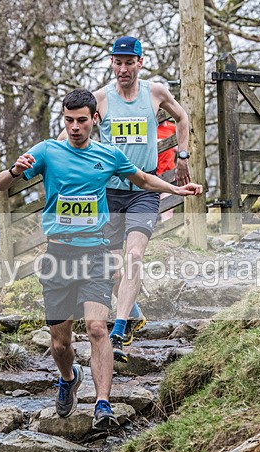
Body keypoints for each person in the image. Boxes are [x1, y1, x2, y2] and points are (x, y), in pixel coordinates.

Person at [0, 89, 201, 430]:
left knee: (95, 328)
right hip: (58, 255)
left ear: (95, 120)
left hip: (95, 252)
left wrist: (176, 189)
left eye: (81, 120)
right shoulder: (47, 151)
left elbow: (143, 178)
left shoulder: (109, 155)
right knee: (61, 343)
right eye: (68, 120)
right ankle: (69, 377)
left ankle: (103, 404)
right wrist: (15, 170)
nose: (75, 127)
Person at [60, 36, 191, 363]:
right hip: (109, 192)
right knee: (112, 265)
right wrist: (45, 160)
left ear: (139, 63)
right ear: (112, 64)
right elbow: (69, 135)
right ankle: (132, 312)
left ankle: (118, 330)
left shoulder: (155, 92)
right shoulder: (101, 98)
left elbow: (183, 117)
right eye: (117, 63)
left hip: (145, 188)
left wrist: (183, 156)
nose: (123, 69)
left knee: (134, 255)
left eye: (128, 63)